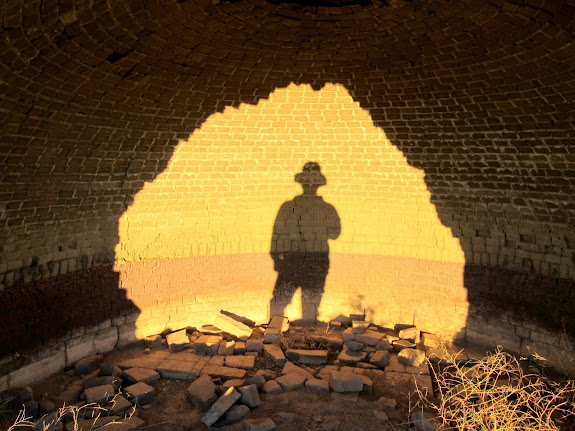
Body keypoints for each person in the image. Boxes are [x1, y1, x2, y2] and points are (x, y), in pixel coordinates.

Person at [270, 162, 341, 322]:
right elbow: (335, 233)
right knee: (309, 303)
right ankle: (300, 337)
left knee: (280, 302)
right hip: (313, 260)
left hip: (294, 260)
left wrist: (277, 260)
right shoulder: (327, 209)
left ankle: (273, 336)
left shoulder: (288, 207)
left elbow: (277, 235)